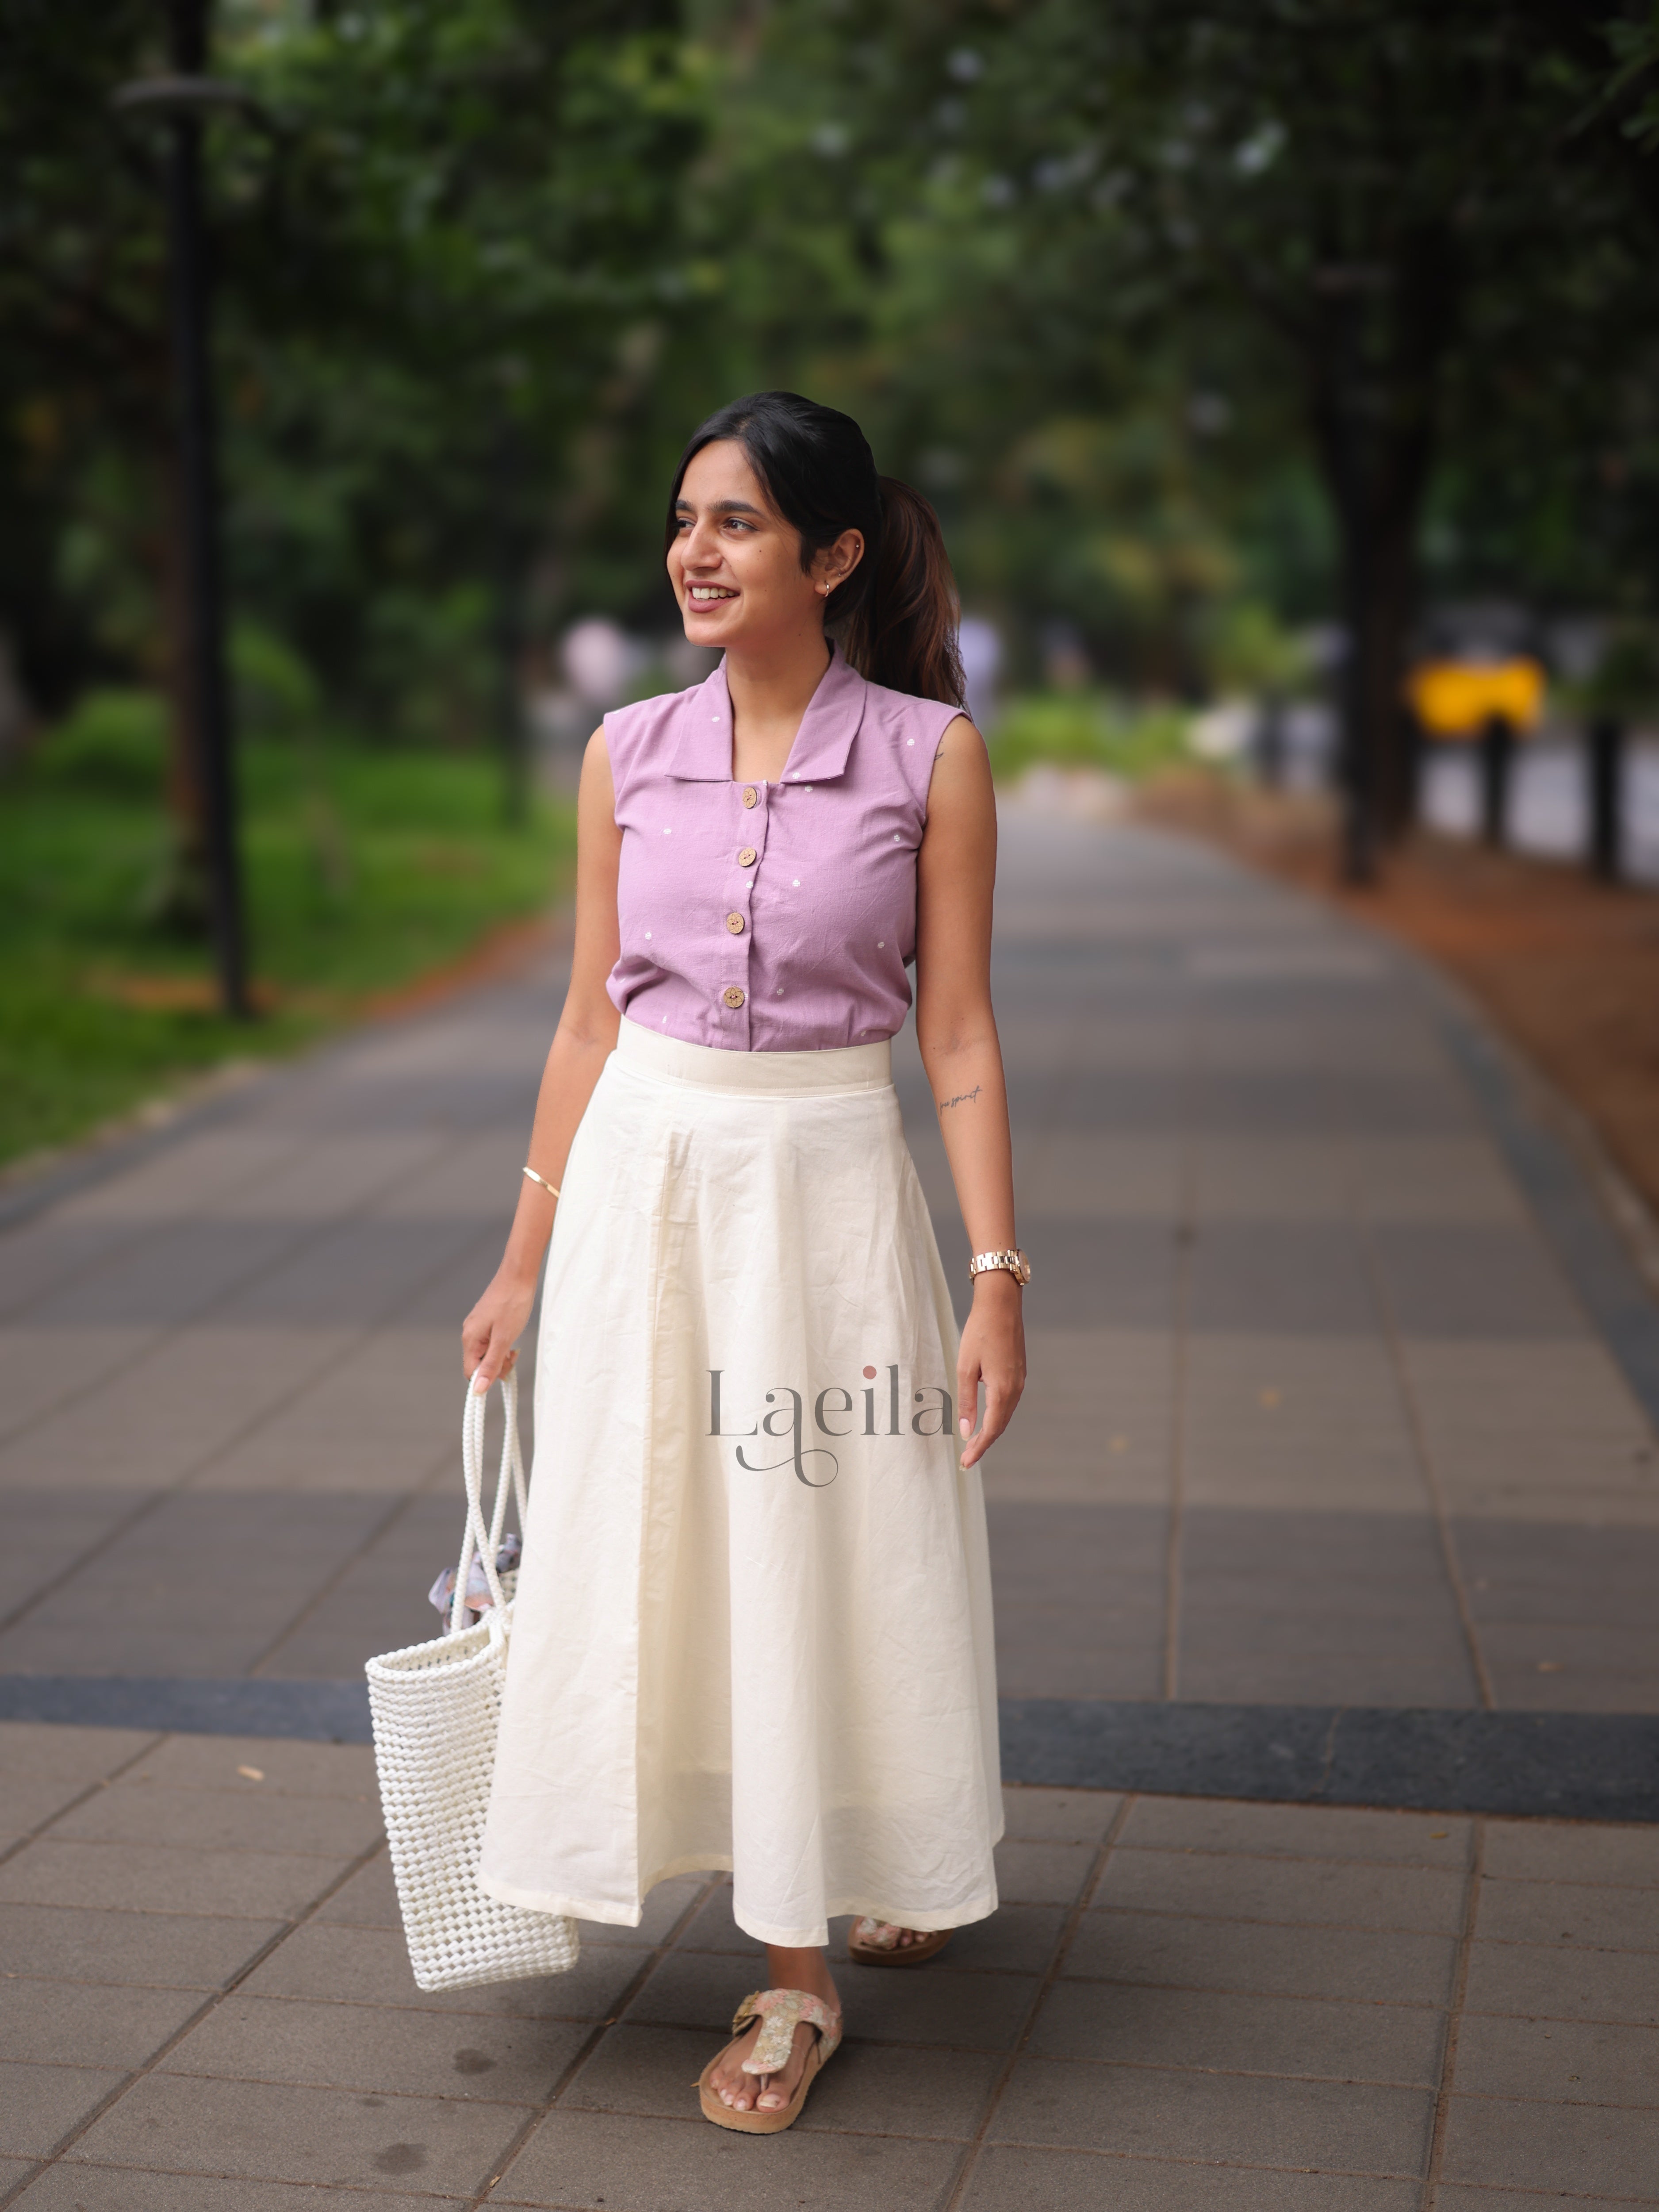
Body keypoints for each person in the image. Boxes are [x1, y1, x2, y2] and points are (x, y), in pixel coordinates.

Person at [461, 391, 1027, 2134]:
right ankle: (794, 1886)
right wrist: (519, 1260)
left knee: (823, 1529)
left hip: (831, 1199)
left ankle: (800, 1970)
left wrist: (996, 1269)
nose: (691, 554)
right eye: (682, 520)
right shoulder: (621, 751)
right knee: (669, 1544)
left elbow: (957, 1034)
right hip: (647, 1188)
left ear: (832, 554)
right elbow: (579, 1025)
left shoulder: (928, 753)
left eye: (734, 523)